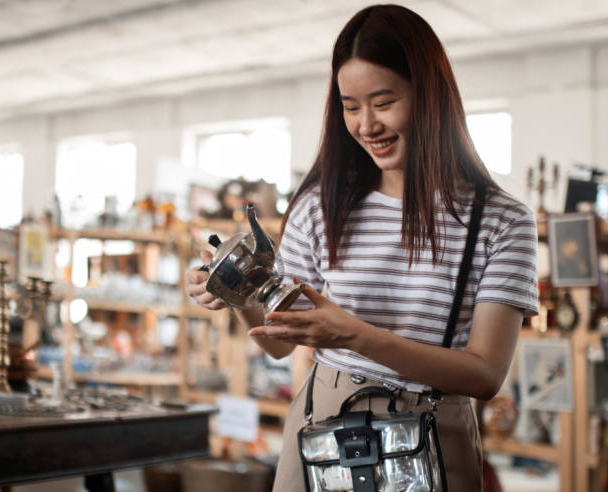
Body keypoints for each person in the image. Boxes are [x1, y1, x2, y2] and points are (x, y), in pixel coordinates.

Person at [185, 5, 538, 491]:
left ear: (429, 94)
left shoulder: (500, 221)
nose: (366, 124)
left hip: (432, 428)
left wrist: (356, 336)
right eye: (351, 106)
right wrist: (233, 290)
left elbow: (483, 375)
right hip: (323, 416)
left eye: (384, 101)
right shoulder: (321, 205)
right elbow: (275, 343)